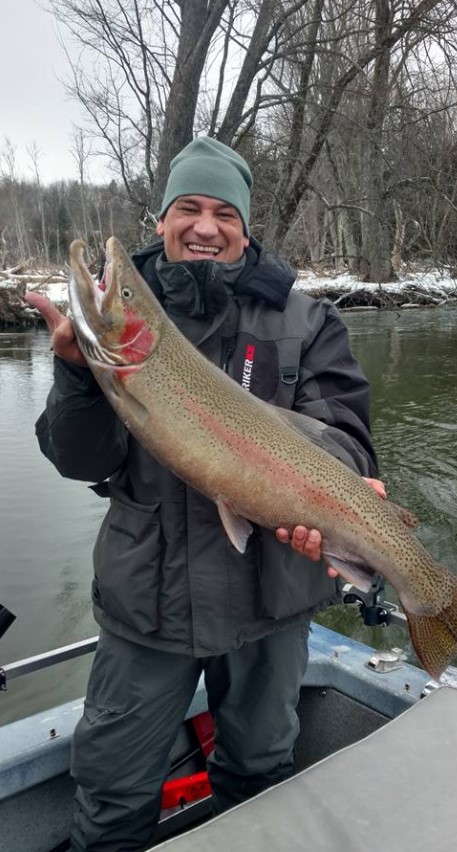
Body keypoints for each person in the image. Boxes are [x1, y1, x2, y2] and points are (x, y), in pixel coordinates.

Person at [28, 137, 381, 852]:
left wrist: (338, 488)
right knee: (114, 792)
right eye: (186, 207)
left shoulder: (306, 320)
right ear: (159, 219)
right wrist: (75, 374)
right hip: (146, 604)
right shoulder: (127, 334)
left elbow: (343, 430)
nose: (204, 225)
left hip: (271, 596)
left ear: (245, 228)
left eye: (224, 213)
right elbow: (77, 460)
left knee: (261, 774)